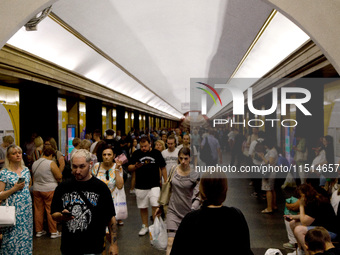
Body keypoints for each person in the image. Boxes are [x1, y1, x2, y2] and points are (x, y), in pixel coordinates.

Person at [51, 149, 118, 255]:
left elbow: (111, 218)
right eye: (74, 167)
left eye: (82, 166)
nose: (77, 171)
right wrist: (61, 216)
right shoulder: (63, 187)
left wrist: (114, 244)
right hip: (69, 248)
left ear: (90, 164)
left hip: (93, 248)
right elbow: (54, 214)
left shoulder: (101, 188)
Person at [170, 172, 253, 255]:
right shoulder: (235, 216)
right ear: (225, 190)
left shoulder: (191, 219)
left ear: (202, 191)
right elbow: (245, 250)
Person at [156, 147, 200, 255]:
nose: (183, 161)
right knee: (170, 242)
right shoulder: (173, 170)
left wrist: (193, 209)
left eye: (186, 158)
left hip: (189, 212)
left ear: (190, 158)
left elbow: (199, 195)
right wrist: (161, 206)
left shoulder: (195, 174)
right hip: (173, 210)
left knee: (188, 243)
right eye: (181, 158)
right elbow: (168, 189)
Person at [128, 137, 167, 236]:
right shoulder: (137, 153)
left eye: (145, 146)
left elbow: (163, 168)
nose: (143, 148)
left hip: (154, 184)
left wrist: (165, 181)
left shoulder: (156, 153)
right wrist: (135, 166)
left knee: (155, 205)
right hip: (141, 185)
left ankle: (155, 226)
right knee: (143, 207)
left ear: (150, 144)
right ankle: (144, 226)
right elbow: (129, 167)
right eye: (141, 146)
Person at [284, 184, 338, 255]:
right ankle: (300, 250)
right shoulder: (312, 200)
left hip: (329, 232)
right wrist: (293, 217)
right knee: (292, 223)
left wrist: (301, 205)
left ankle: (308, 253)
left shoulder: (316, 202)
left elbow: (304, 222)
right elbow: (308, 216)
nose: (299, 200)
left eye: (300, 197)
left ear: (303, 195)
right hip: (321, 227)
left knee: (299, 230)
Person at [0, 145, 33, 255]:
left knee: (26, 235)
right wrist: (14, 189)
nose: (18, 155)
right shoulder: (4, 173)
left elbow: (29, 186)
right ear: (8, 157)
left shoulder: (26, 170)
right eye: (14, 153)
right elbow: (0, 195)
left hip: (26, 210)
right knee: (11, 238)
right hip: (12, 210)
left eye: (19, 152)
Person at [32, 146, 62, 238]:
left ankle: (39, 231)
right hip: (49, 189)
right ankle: (53, 232)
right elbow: (59, 176)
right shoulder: (51, 163)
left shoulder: (35, 163)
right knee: (50, 210)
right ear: (51, 155)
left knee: (38, 211)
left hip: (36, 189)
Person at [92, 145, 124, 226]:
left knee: (110, 229)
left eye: (109, 155)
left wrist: (116, 169)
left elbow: (120, 186)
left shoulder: (117, 167)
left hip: (112, 202)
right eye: (104, 154)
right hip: (97, 202)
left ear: (114, 156)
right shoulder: (96, 166)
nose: (106, 157)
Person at [257, 138, 278, 214]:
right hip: (271, 172)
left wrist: (262, 157)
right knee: (272, 189)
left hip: (268, 172)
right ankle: (274, 205)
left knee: (268, 189)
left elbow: (270, 162)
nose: (265, 146)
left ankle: (269, 208)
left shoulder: (272, 152)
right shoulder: (273, 150)